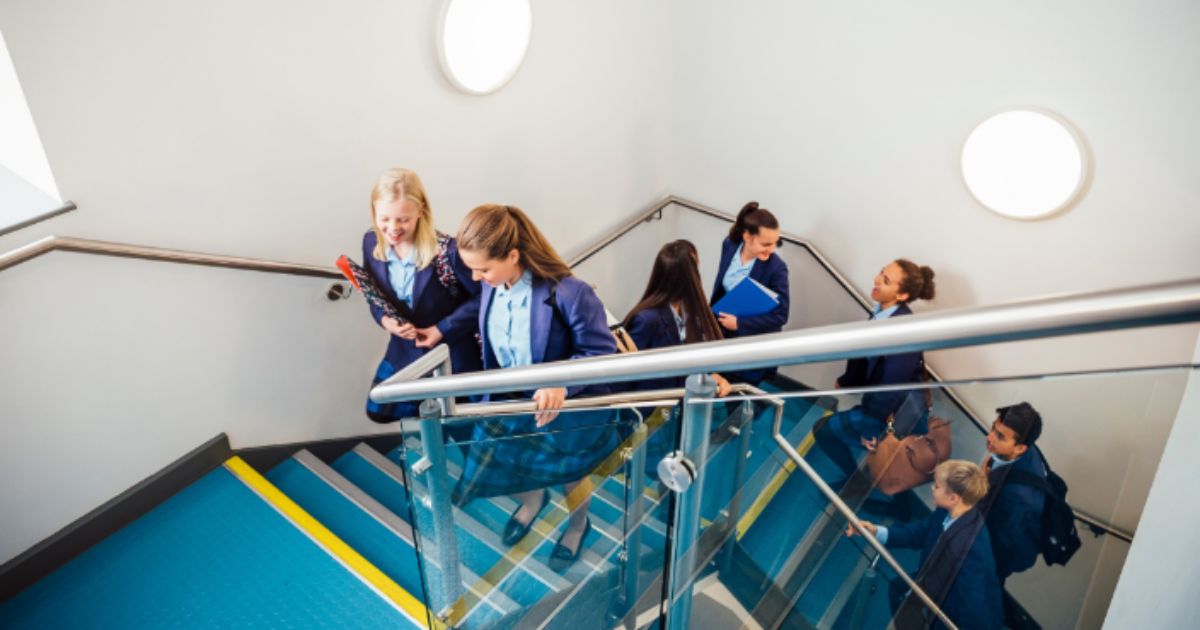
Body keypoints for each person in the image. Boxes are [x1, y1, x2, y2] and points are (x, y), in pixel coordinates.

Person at [453, 204, 618, 572]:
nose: (477, 278)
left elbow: (601, 354)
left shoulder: (570, 293)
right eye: (472, 269)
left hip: (559, 411)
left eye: (484, 268)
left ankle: (578, 526)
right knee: (504, 462)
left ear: (513, 255)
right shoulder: (492, 287)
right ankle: (532, 502)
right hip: (510, 404)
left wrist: (560, 381)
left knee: (570, 477)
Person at [358, 168, 481, 423]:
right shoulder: (371, 243)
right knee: (378, 410)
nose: (392, 229)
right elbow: (374, 295)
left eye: (402, 219)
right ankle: (432, 430)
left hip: (452, 354)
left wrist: (442, 329)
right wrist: (385, 321)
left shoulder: (450, 252)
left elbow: (484, 297)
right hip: (404, 352)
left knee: (459, 428)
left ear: (421, 210)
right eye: (385, 219)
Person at [814, 259, 936, 486]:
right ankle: (865, 482)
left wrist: (870, 427)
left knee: (823, 431)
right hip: (887, 409)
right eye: (881, 272)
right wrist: (848, 381)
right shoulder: (882, 311)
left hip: (895, 414)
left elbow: (890, 387)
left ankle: (858, 482)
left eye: (886, 280)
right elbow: (866, 356)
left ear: (901, 296)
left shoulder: (903, 332)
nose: (876, 280)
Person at [848, 460, 1002, 630]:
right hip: (931, 584)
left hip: (950, 612)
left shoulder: (967, 548)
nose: (932, 489)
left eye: (936, 486)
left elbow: (974, 604)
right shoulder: (946, 511)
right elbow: (917, 534)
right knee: (897, 590)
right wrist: (875, 531)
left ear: (953, 498)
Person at [623, 239, 731, 395]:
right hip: (654, 404)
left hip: (679, 399)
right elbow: (628, 374)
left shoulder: (688, 309)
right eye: (695, 269)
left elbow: (686, 358)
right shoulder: (646, 320)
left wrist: (708, 376)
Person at [710, 201, 790, 385]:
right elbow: (721, 288)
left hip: (752, 344)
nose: (771, 249)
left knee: (740, 391)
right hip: (722, 335)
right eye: (766, 243)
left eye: (775, 243)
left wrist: (739, 323)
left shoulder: (777, 268)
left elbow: (781, 315)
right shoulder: (729, 245)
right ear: (747, 236)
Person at [978, 403, 1047, 585]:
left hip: (998, 555)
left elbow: (996, 541)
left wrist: (981, 488)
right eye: (993, 428)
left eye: (1000, 437)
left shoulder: (1018, 497)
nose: (989, 437)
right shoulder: (1023, 450)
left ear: (1020, 448)